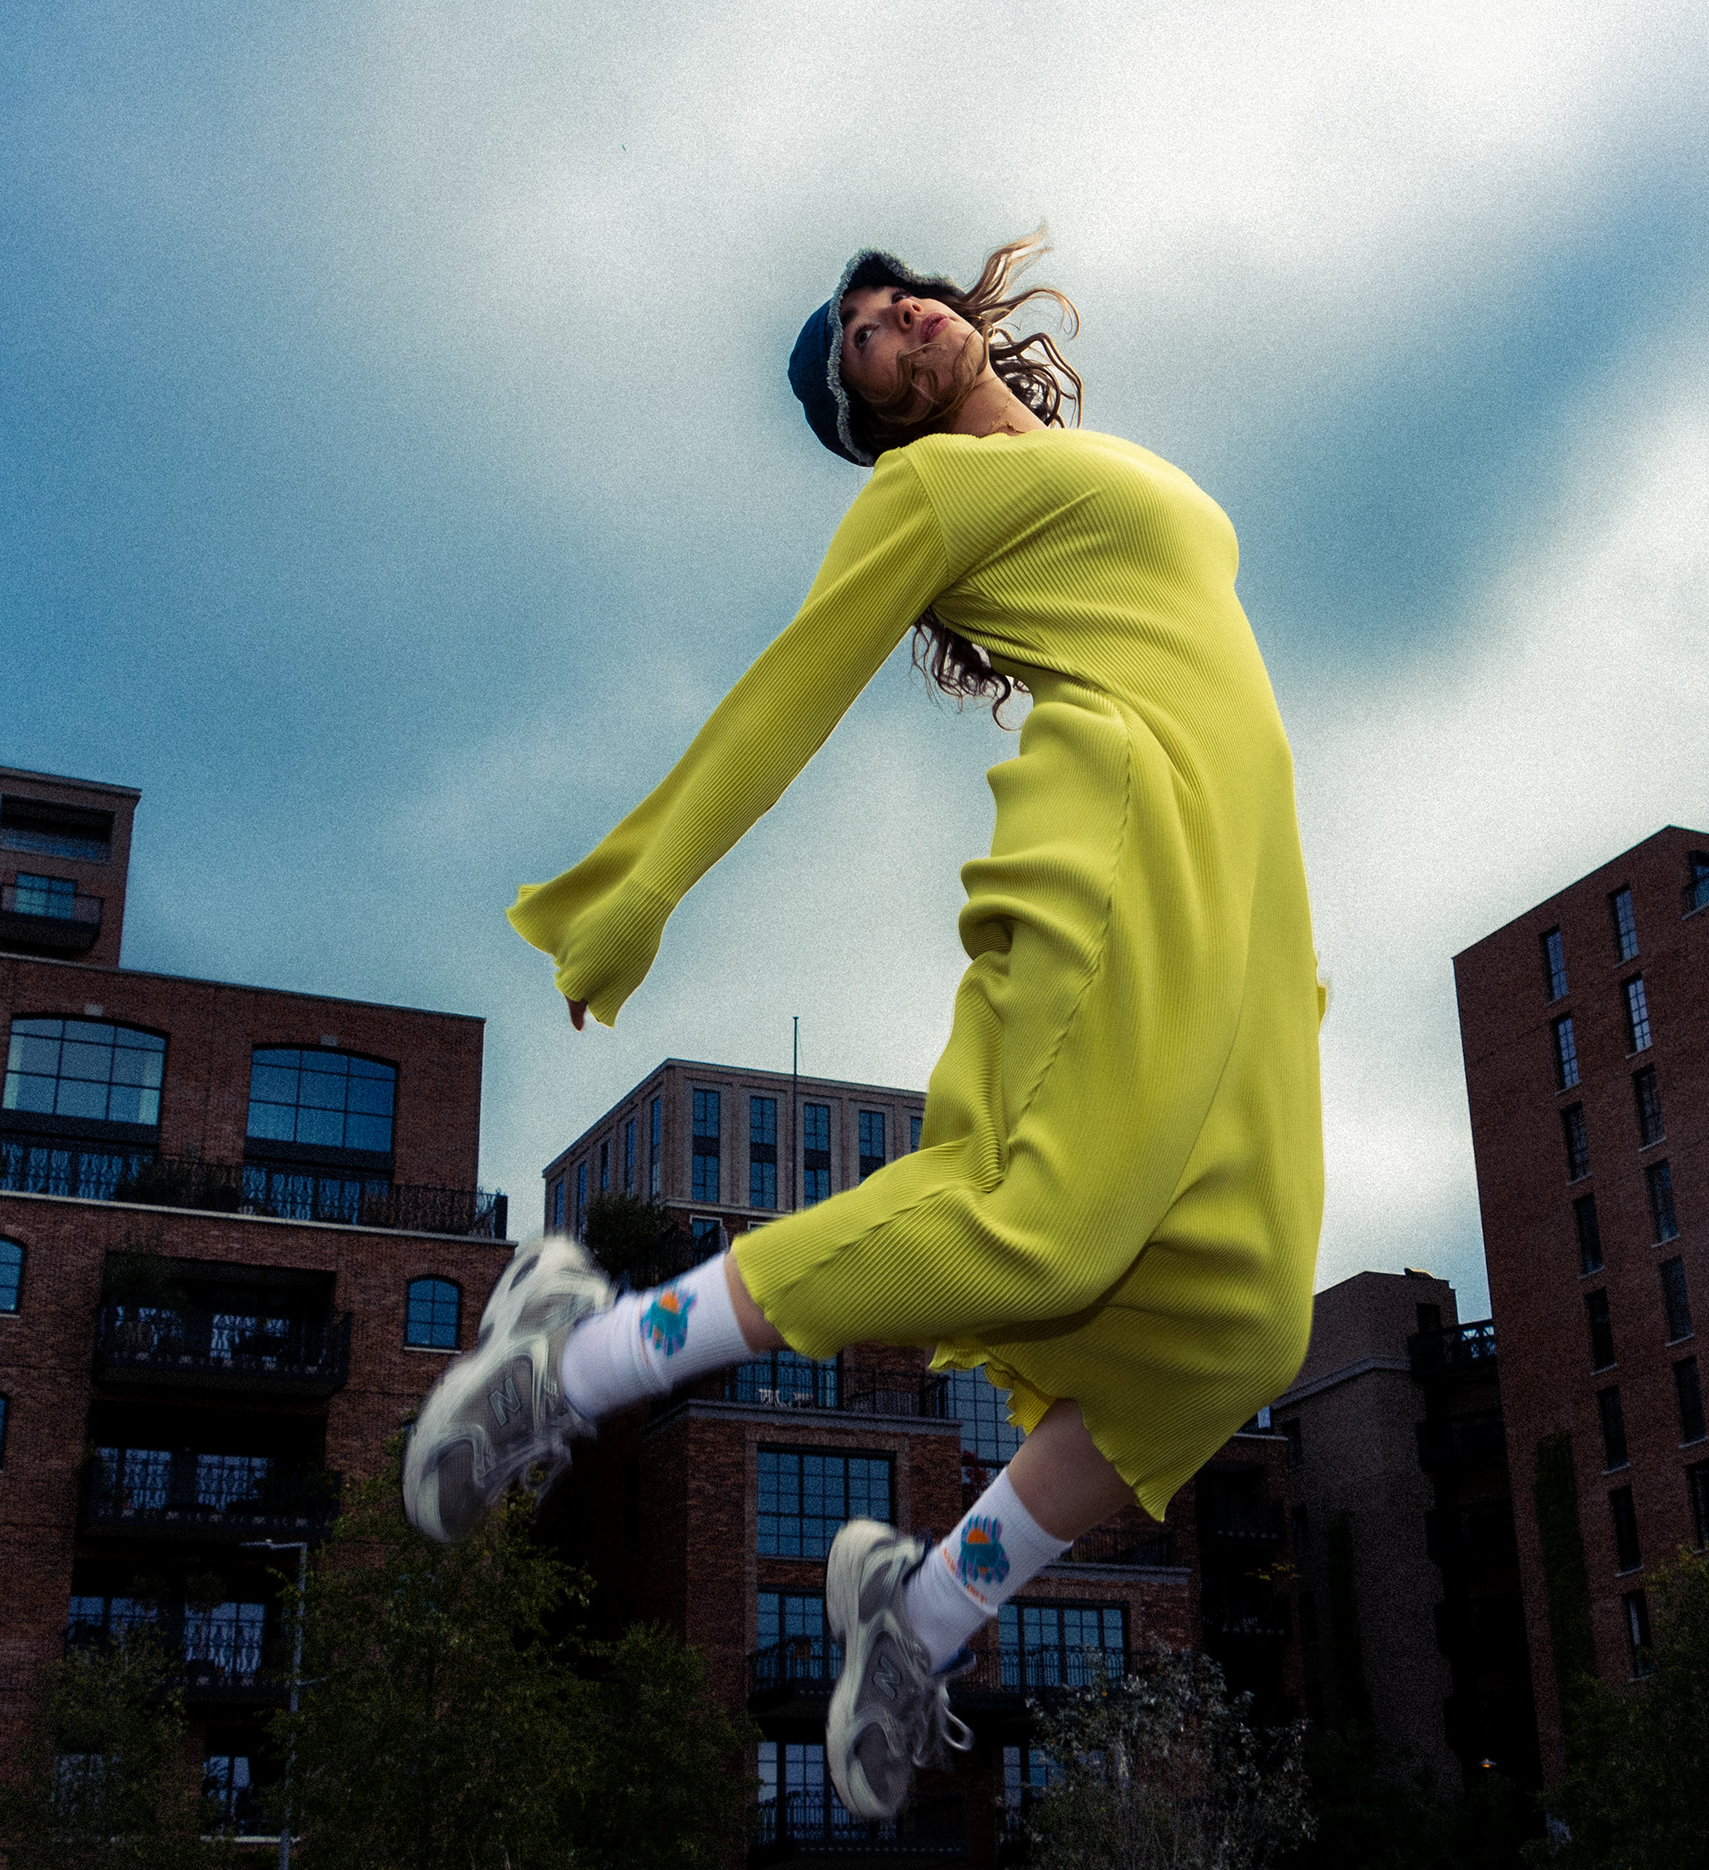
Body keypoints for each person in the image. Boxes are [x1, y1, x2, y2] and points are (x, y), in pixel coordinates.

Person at [403, 235, 1326, 1822]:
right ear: (874, 421)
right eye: (861, 346)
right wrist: (638, 890)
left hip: (1244, 895)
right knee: (1037, 1221)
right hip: (1119, 826)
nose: (892, 318)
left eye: (892, 299)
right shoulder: (925, 496)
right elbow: (790, 690)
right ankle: (577, 1359)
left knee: (1238, 1325)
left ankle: (922, 1614)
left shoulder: (1084, 468)